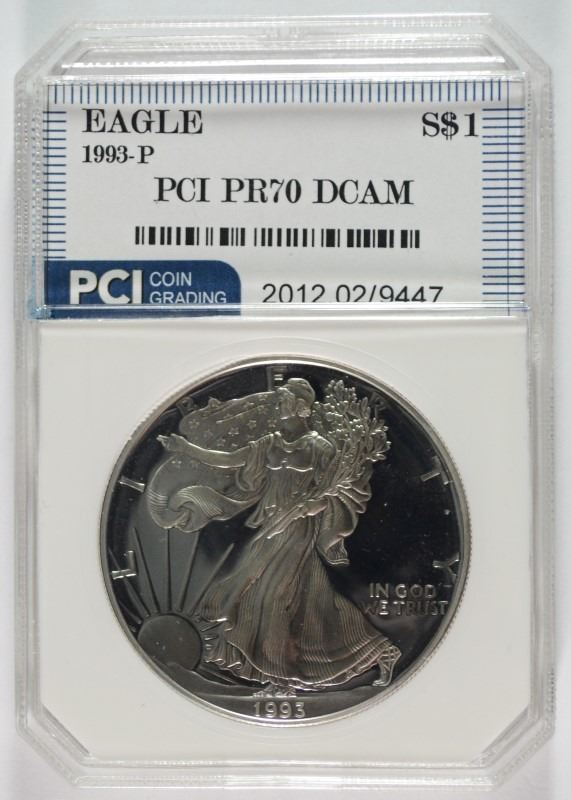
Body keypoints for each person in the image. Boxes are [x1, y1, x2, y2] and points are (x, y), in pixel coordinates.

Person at [157, 378, 401, 691]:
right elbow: (230, 460)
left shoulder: (320, 448)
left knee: (271, 594)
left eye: (285, 400)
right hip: (271, 525)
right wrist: (186, 448)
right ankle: (375, 651)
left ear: (301, 407)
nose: (279, 404)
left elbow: (335, 492)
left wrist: (305, 508)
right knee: (307, 598)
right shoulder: (269, 443)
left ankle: (283, 675)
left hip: (298, 528)